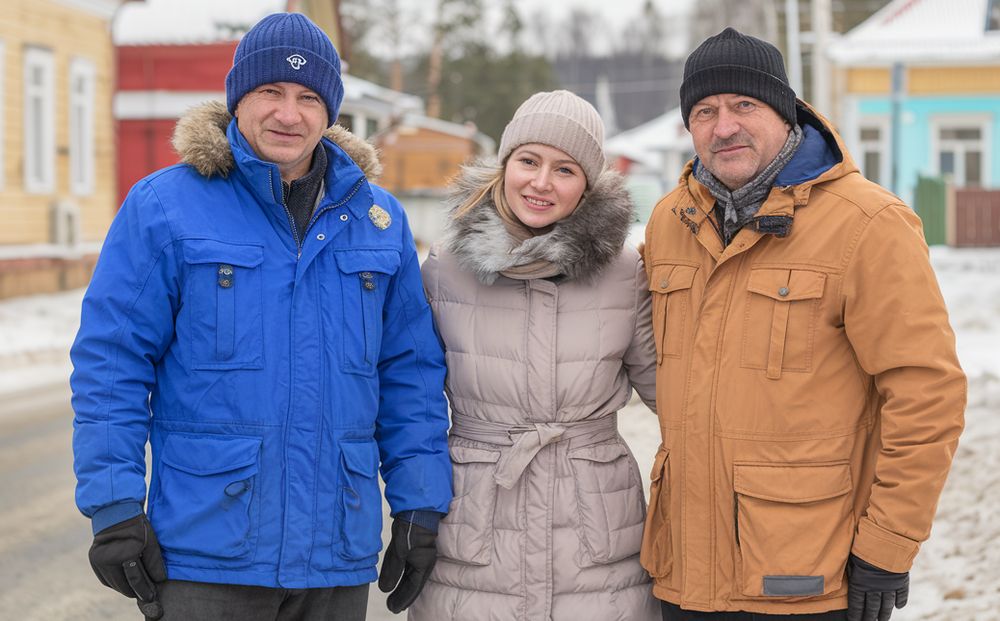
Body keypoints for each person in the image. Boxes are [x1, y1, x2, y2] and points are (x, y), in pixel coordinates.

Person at [70, 13, 451, 620]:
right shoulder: (166, 207)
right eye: (270, 92)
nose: (288, 114)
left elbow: (410, 377)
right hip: (205, 555)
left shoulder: (380, 221)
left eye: (307, 97)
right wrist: (114, 505)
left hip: (335, 553)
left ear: (330, 111)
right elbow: (111, 364)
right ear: (237, 99)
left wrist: (419, 506)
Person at [640, 27, 967, 621]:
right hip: (684, 576)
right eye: (705, 111)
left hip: (809, 577)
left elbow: (927, 394)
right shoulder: (670, 221)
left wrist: (888, 547)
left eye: (745, 105)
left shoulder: (868, 224)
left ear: (786, 113)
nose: (724, 126)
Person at [407, 90, 660, 621]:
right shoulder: (445, 268)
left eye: (564, 169)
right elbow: (410, 398)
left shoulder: (625, 272)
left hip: (596, 540)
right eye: (528, 161)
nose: (541, 182)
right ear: (504, 166)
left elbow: (673, 393)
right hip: (475, 531)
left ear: (588, 186)